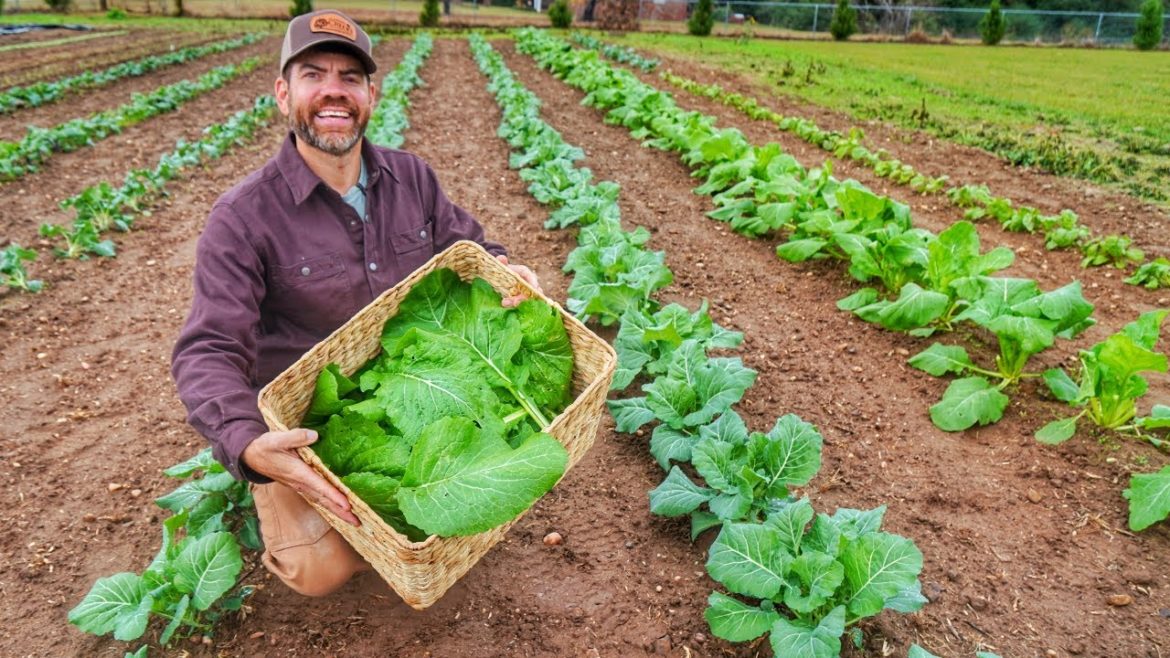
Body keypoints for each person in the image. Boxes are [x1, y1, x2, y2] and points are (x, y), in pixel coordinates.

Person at [171, 10, 539, 597]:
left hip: (419, 383)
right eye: (313, 75)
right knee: (320, 569)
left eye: (349, 77)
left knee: (485, 469)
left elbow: (468, 247)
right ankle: (283, 500)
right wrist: (246, 441)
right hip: (315, 426)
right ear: (283, 94)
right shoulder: (242, 217)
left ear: (371, 95)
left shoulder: (412, 178)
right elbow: (208, 348)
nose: (333, 91)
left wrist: (504, 269)